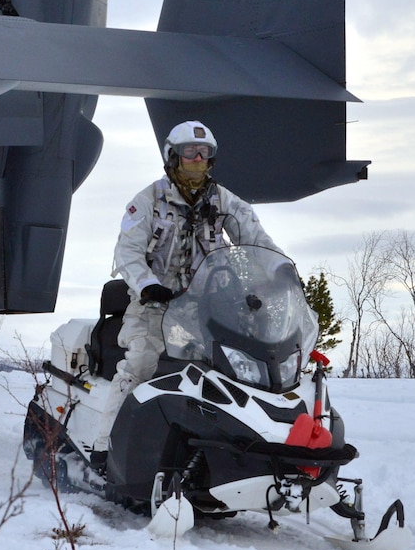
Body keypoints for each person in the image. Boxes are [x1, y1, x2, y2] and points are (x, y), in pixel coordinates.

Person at [95, 120, 280, 450]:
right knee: (141, 364)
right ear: (172, 157)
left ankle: (224, 448)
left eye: (204, 153)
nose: (197, 159)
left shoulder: (223, 202)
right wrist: (148, 285)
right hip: (154, 305)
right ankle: (106, 446)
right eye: (189, 152)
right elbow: (127, 251)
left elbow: (255, 238)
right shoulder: (149, 200)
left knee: (232, 372)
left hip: (206, 308)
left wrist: (276, 270)